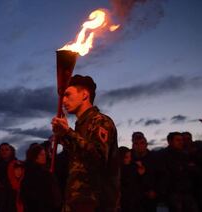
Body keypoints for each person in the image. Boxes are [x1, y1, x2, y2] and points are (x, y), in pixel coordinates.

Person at [51, 74, 120, 212]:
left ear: (84, 95)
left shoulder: (100, 121)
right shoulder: (80, 126)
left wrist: (67, 133)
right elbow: (79, 162)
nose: (63, 100)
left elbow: (98, 158)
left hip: (96, 205)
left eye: (67, 95)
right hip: (77, 204)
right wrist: (63, 137)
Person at [21, 144, 62, 212]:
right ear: (34, 156)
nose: (44, 156)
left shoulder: (45, 172)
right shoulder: (30, 173)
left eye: (44, 154)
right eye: (41, 154)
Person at [130, 132, 158, 212]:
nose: (139, 146)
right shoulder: (128, 157)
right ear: (133, 144)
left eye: (142, 143)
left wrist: (155, 191)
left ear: (146, 144)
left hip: (150, 196)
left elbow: (161, 175)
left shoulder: (155, 158)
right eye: (136, 143)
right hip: (133, 197)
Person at [0, 143, 17, 212]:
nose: (4, 151)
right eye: (2, 150)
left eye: (7, 149)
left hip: (14, 197)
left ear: (11, 151)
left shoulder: (17, 164)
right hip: (0, 198)